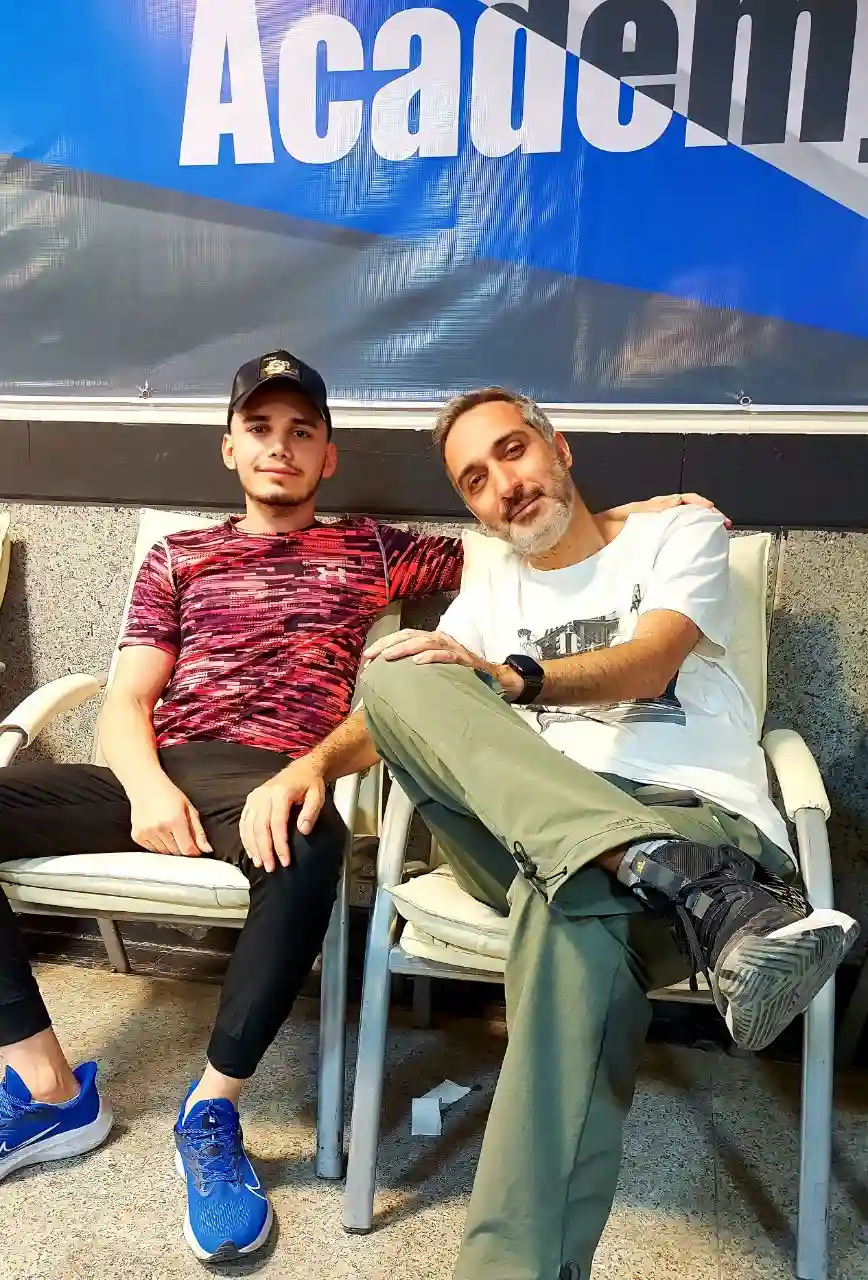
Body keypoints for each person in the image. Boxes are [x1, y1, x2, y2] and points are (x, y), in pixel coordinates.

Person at [0, 353, 701, 1262]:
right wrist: (145, 788)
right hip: (162, 768)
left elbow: (526, 537)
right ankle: (49, 1089)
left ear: (327, 457)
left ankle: (211, 1110)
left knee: (308, 839)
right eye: (260, 429)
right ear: (229, 448)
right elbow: (128, 699)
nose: (280, 448)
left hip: (276, 775)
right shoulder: (179, 555)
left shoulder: (372, 548)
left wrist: (635, 517)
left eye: (302, 432)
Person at [355, 387, 859, 1280]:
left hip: (689, 810)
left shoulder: (678, 533)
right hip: (543, 841)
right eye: (475, 480)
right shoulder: (488, 589)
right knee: (392, 674)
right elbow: (397, 709)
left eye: (513, 451)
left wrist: (514, 678)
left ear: (561, 447)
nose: (503, 484)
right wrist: (302, 770)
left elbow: (655, 659)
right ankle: (679, 880)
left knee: (570, 908)